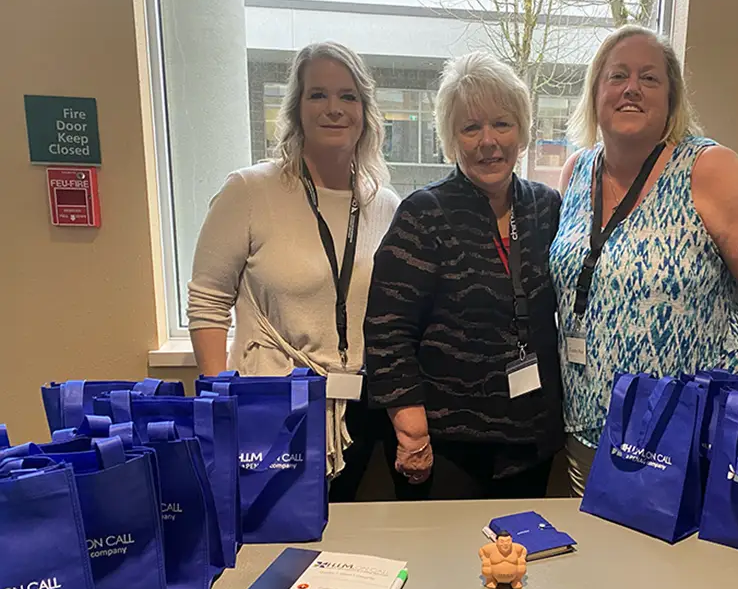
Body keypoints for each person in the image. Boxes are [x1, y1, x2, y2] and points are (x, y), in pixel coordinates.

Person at [551, 25, 738, 497]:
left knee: (668, 570)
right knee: (592, 566)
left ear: (672, 98)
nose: (631, 88)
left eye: (649, 78)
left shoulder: (711, 169)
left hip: (683, 441)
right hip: (583, 434)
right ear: (595, 91)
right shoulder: (577, 171)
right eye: (617, 75)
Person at [187, 41, 400, 501]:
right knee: (273, 546)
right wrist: (221, 404)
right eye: (317, 94)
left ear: (365, 110)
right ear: (296, 108)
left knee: (345, 552)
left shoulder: (384, 206)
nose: (334, 109)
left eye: (348, 96)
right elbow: (207, 302)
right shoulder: (249, 191)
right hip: (271, 406)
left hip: (357, 410)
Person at [363, 51, 563, 500]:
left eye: (502, 124)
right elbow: (386, 330)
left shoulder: (546, 207)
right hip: (448, 444)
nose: (488, 141)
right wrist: (413, 434)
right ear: (452, 139)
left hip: (532, 440)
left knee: (515, 566)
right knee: (450, 567)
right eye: (471, 128)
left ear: (523, 131)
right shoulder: (424, 213)